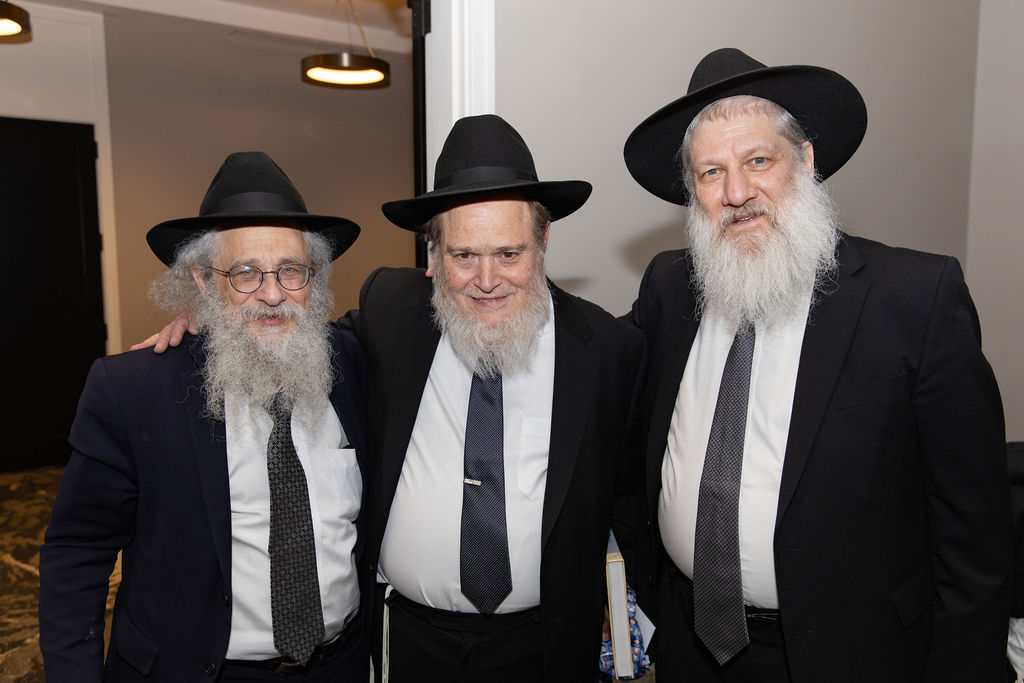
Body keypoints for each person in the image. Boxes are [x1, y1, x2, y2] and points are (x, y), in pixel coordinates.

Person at [623, 48, 1011, 682]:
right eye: (712, 172)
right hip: (690, 647)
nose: (737, 194)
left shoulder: (915, 300)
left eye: (758, 161)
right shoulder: (668, 288)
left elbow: (974, 534)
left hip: (853, 654)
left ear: (804, 161)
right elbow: (599, 378)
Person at [39, 152, 371, 682]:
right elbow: (78, 552)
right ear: (203, 279)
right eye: (244, 273)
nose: (272, 294)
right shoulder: (134, 391)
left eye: (291, 270)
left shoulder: (351, 363)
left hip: (341, 665)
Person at [351, 114, 645, 681]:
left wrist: (627, 599)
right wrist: (201, 325)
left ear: (543, 241)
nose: (487, 280)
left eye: (509, 254)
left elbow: (631, 500)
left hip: (546, 646)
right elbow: (301, 344)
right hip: (409, 642)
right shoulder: (391, 313)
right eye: (464, 256)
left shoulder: (609, 351)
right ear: (433, 253)